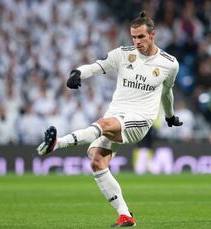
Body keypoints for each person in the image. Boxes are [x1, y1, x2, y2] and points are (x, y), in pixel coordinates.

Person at [37, 11, 183, 227]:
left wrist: (169, 116)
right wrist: (77, 73)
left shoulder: (169, 64)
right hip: (117, 113)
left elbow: (166, 92)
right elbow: (96, 67)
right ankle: (125, 215)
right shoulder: (123, 54)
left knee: (103, 125)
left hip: (140, 119)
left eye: (141, 37)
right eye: (133, 37)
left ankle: (56, 145)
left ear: (152, 35)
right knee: (97, 163)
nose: (137, 42)